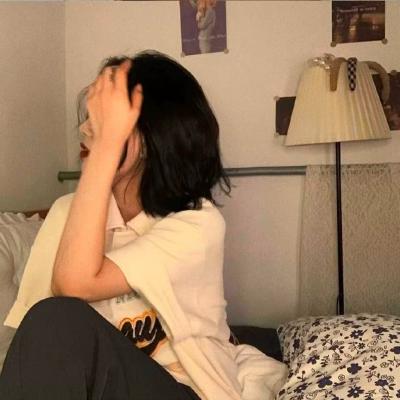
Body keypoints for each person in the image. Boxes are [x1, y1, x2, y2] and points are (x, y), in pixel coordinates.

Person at [0, 50, 287, 400]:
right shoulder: (66, 212)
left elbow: (73, 287)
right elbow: (35, 352)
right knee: (51, 322)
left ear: (152, 136)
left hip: (188, 389)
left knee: (57, 319)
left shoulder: (197, 224)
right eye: (91, 115)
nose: (85, 129)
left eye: (104, 117)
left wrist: (106, 148)